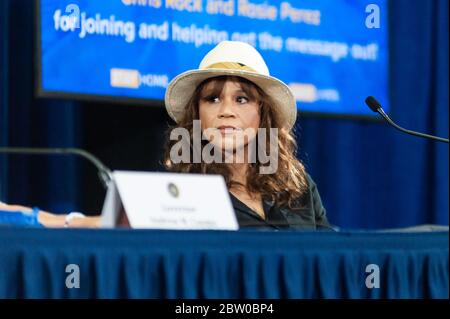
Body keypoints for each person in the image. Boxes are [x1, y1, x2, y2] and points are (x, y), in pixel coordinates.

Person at [1, 41, 332, 230]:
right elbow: (116, 225)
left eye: (241, 99)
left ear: (263, 114)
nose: (225, 110)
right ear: (197, 115)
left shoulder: (299, 186)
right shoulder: (187, 189)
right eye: (212, 98)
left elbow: (333, 259)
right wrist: (29, 218)